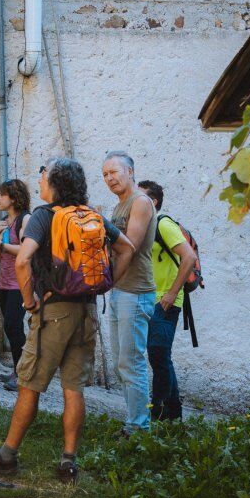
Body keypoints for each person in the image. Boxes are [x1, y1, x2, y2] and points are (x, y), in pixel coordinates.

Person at [0, 158, 135, 483]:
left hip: (53, 313)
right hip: (86, 312)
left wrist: (30, 303)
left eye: (43, 178)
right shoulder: (92, 215)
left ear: (56, 184)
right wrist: (107, 284)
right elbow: (126, 249)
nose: (39, 184)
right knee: (74, 388)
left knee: (29, 384)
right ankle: (68, 462)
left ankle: (6, 456)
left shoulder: (45, 216)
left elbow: (23, 260)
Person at [102, 151, 157, 435]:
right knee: (120, 362)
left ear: (131, 172)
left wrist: (101, 223)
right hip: (120, 290)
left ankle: (138, 429)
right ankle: (132, 422)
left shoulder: (141, 202)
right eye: (105, 175)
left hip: (135, 292)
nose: (110, 178)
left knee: (131, 362)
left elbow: (130, 245)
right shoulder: (119, 205)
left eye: (114, 172)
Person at [138, 180, 197, 422]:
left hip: (166, 301)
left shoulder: (163, 224)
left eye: (140, 198)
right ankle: (173, 412)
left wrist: (172, 293)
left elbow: (189, 257)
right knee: (160, 355)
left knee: (158, 353)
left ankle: (159, 412)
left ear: (153, 202)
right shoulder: (146, 228)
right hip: (152, 299)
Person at [0, 179, 31, 391]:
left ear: (14, 198)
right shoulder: (6, 221)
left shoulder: (26, 219)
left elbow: (26, 250)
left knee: (13, 327)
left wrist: (3, 243)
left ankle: (23, 375)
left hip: (20, 283)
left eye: (1, 194)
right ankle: (17, 371)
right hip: (4, 282)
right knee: (11, 326)